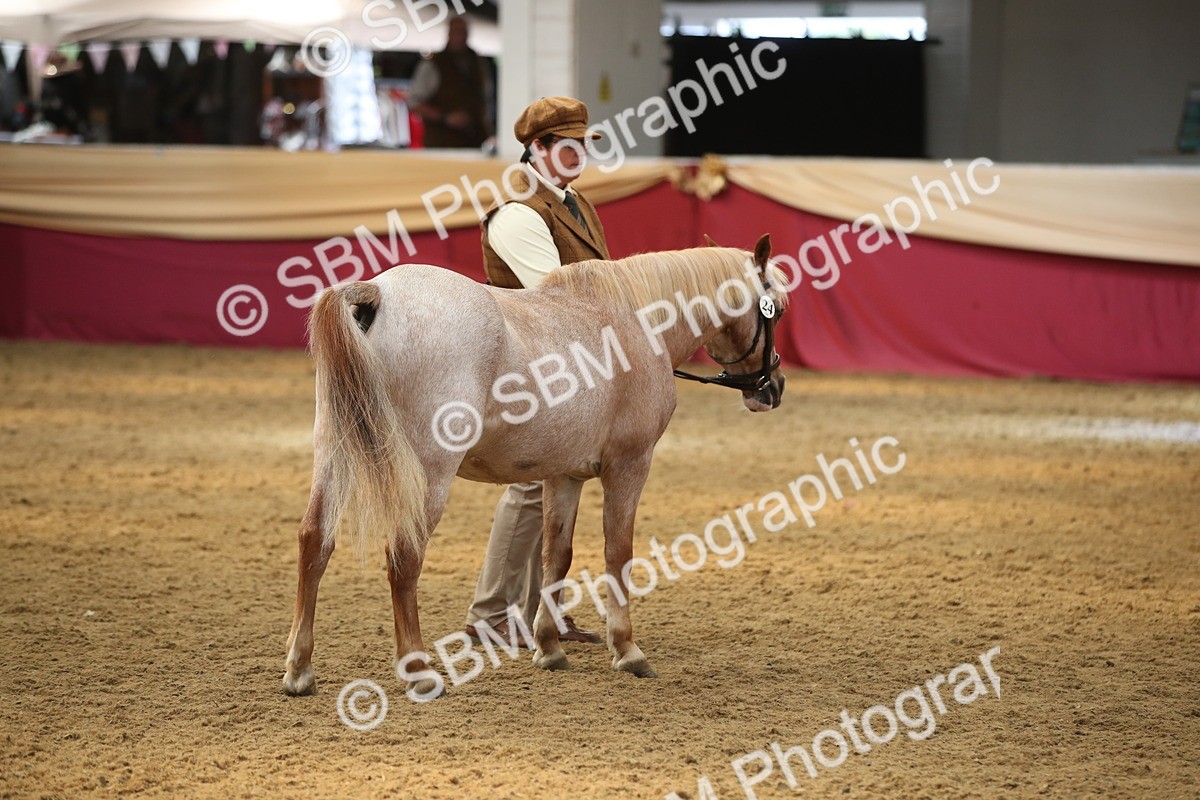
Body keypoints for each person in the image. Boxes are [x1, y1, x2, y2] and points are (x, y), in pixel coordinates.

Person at [465, 96, 611, 646]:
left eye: (584, 145)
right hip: (528, 362)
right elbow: (558, 296)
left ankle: (540, 609)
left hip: (568, 361)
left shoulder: (577, 204)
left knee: (559, 484)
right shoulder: (519, 213)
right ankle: (490, 613)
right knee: (531, 487)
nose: (579, 155)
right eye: (568, 146)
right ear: (537, 148)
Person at [408, 16, 493, 149]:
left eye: (463, 32)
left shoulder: (479, 63)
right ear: (449, 34)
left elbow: (485, 100)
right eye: (456, 31)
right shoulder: (433, 65)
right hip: (442, 142)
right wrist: (445, 118)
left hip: (475, 140)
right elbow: (414, 103)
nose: (460, 36)